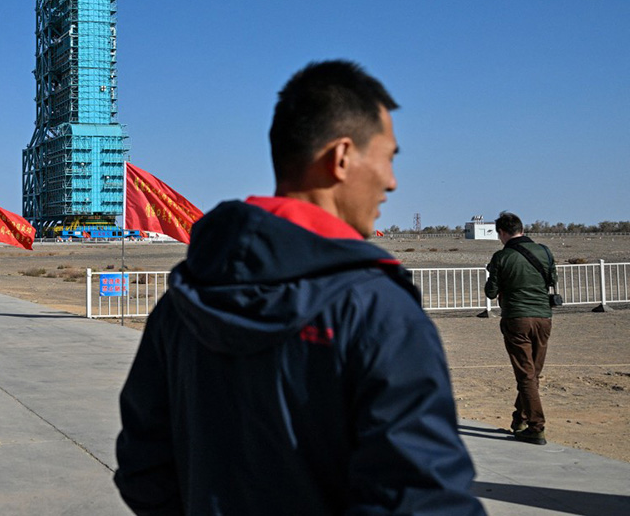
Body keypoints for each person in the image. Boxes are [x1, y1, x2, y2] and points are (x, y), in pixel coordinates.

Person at [114, 60, 482, 514]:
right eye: (388, 158)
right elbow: (422, 500)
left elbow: (142, 468)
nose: (391, 181)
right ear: (341, 157)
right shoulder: (375, 308)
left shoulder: (182, 301)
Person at [484, 211, 556, 445]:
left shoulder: (502, 257)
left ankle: (536, 427)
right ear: (522, 229)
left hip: (516, 318)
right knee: (533, 372)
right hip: (543, 317)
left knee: (526, 374)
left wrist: (495, 274)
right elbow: (552, 280)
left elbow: (491, 292)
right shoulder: (545, 251)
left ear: (502, 232)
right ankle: (520, 419)